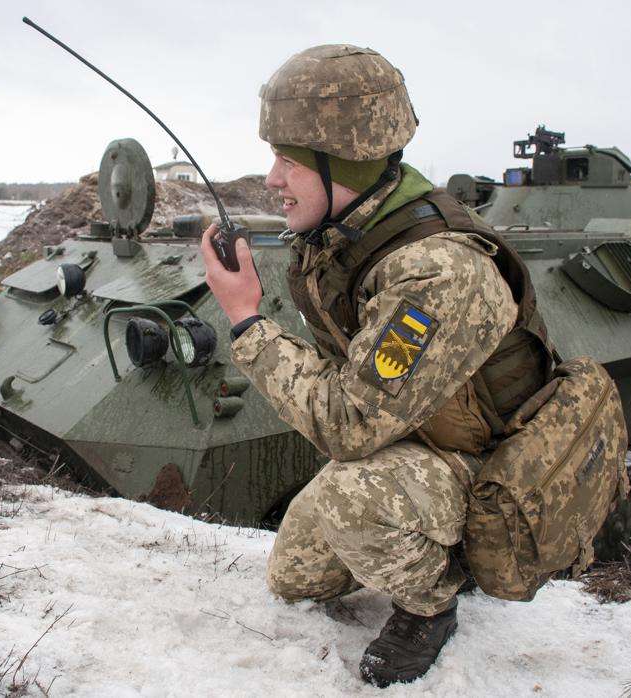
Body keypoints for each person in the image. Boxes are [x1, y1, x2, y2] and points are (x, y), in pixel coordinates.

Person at [200, 44, 549, 688]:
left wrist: (247, 321)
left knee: (354, 499)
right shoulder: (349, 231)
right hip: (417, 434)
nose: (272, 180)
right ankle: (410, 533)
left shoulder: (438, 273)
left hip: (490, 464)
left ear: (345, 161)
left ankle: (434, 599)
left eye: (288, 161)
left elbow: (349, 425)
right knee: (295, 576)